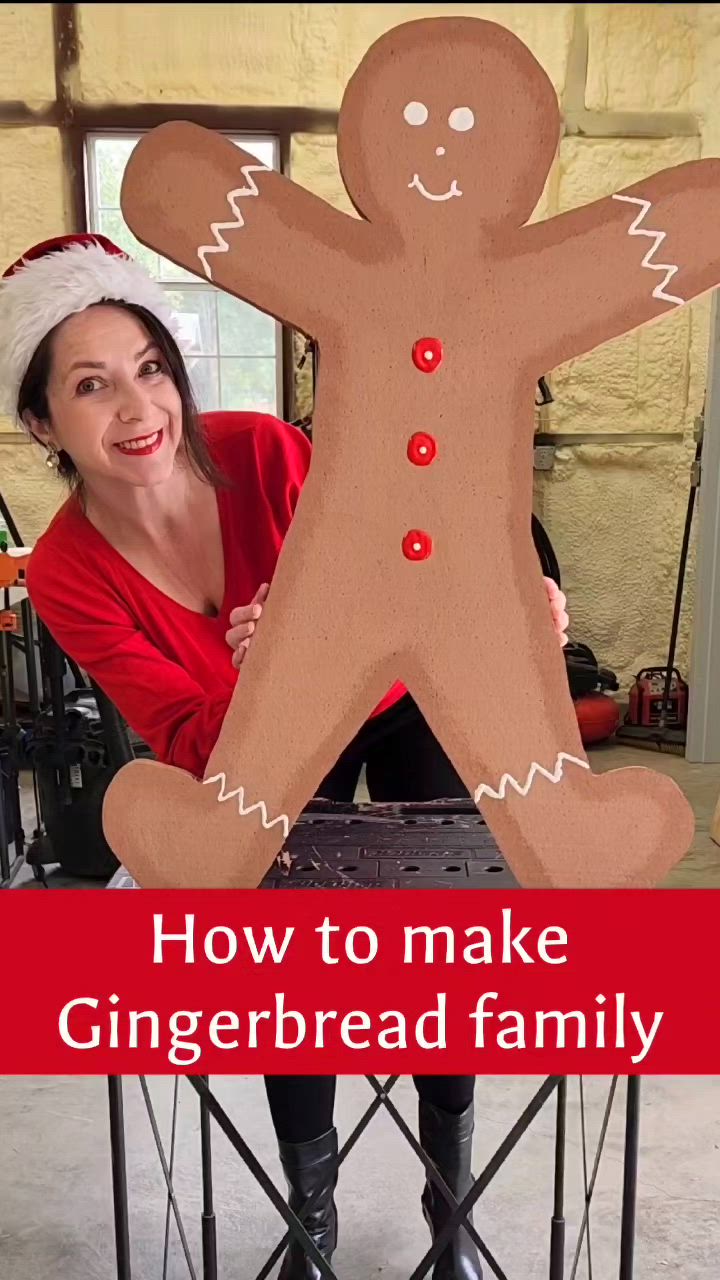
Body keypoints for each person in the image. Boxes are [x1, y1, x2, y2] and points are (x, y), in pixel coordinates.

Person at [2, 234, 569, 1279]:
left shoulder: (264, 450)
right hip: (255, 745)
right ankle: (312, 1221)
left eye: (151, 368)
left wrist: (510, 602)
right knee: (286, 934)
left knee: (437, 930)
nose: (137, 410)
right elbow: (193, 741)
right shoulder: (68, 573)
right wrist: (276, 683)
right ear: (42, 422)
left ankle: (451, 1208)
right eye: (91, 386)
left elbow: (417, 551)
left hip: (400, 697)